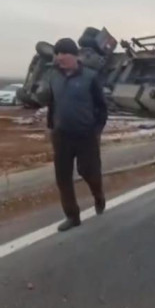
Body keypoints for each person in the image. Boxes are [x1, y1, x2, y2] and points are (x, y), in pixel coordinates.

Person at [47, 38, 107, 232]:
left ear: (75, 56)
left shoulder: (90, 77)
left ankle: (98, 196)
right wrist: (51, 127)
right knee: (62, 177)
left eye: (64, 54)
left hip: (85, 135)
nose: (59, 59)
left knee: (89, 171)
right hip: (61, 136)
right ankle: (72, 216)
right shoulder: (54, 76)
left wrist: (97, 130)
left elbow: (101, 108)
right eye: (57, 54)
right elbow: (52, 104)